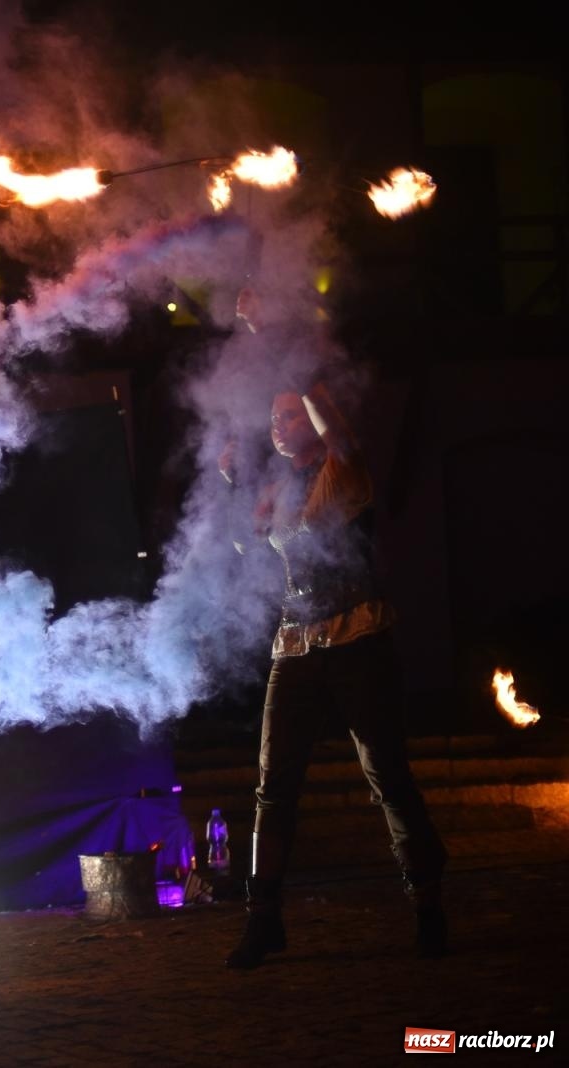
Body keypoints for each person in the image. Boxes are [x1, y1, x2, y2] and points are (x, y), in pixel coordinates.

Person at [226, 381, 447, 968]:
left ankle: (427, 905)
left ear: (316, 418)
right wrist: (235, 493)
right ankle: (263, 919)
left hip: (357, 640)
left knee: (387, 777)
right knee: (273, 788)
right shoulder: (278, 486)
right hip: (295, 645)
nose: (276, 425)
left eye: (290, 414)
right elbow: (255, 549)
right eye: (273, 416)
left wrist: (303, 378)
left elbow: (341, 440)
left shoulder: (345, 469)